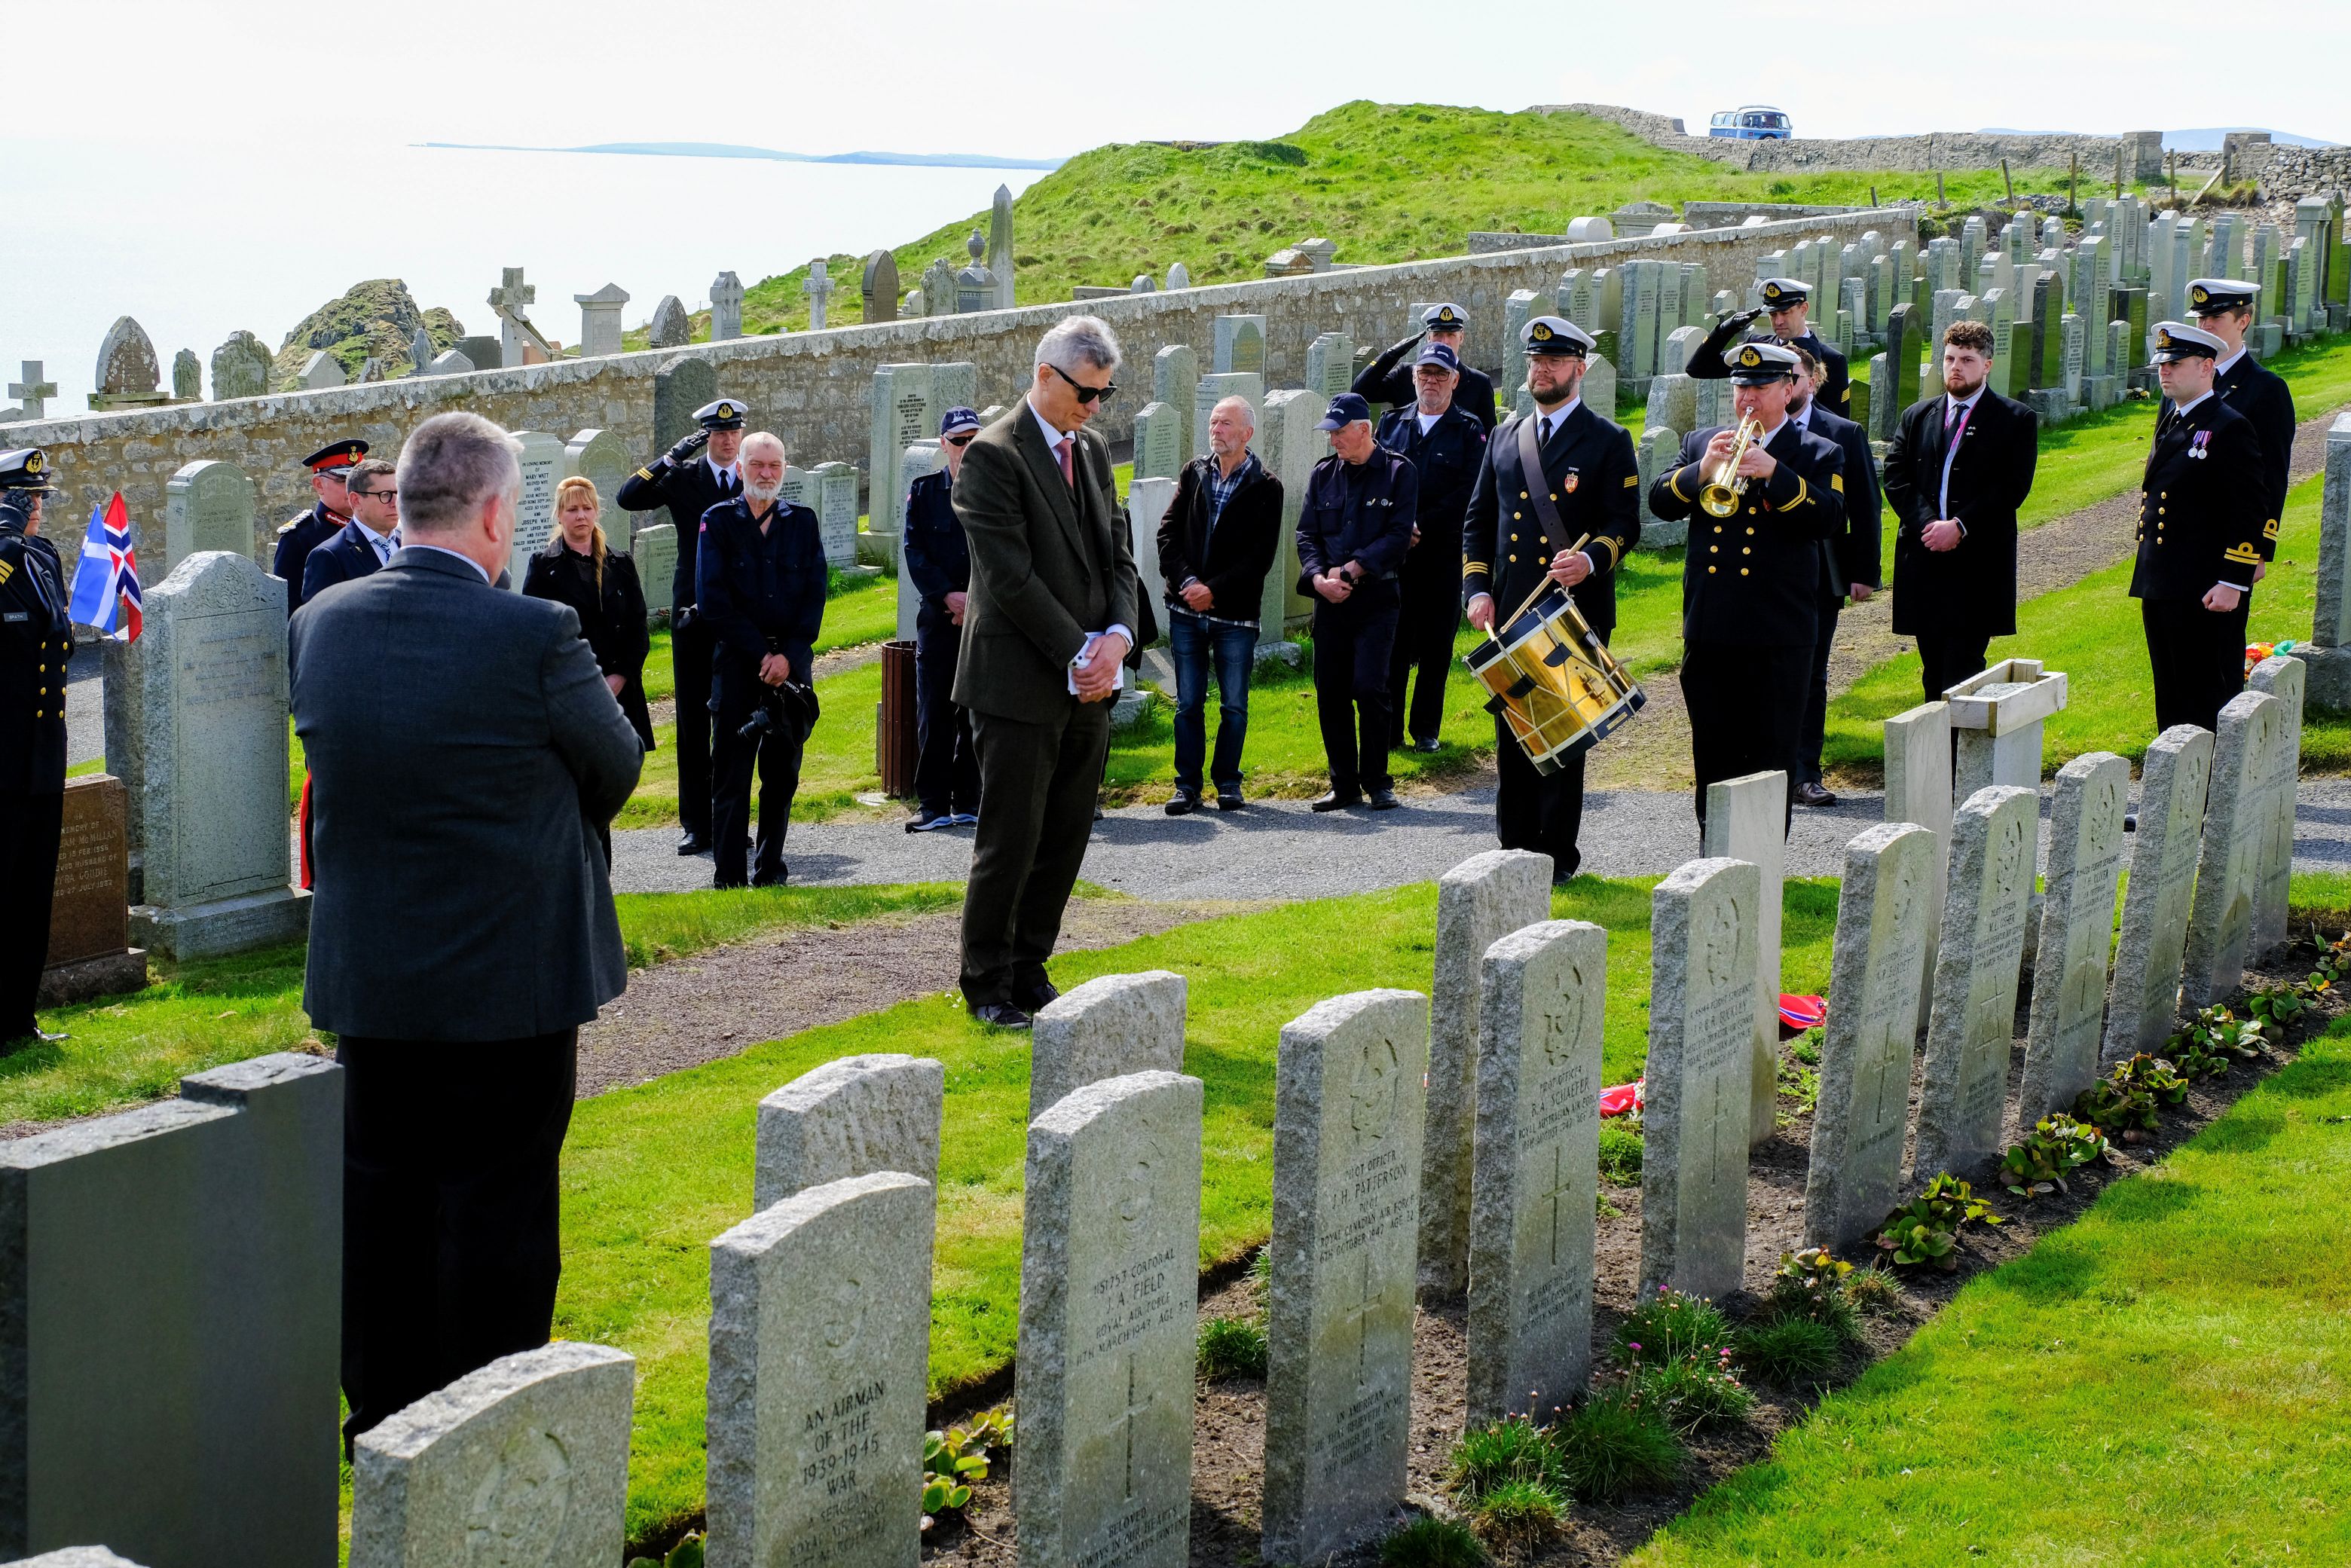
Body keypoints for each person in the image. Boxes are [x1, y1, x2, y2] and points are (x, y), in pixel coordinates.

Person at [288, 410, 644, 1447]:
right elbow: (616, 767)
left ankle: (387, 1416)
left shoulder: (324, 622)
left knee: (382, 1204)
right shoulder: (535, 633)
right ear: (496, 513)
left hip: (375, 981)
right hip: (510, 983)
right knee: (500, 1206)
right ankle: (485, 1421)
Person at [950, 315, 1139, 1029]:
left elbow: (1116, 554)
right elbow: (1011, 578)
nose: (1094, 408)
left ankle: (1029, 965)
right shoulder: (993, 455)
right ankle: (986, 980)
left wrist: (1118, 637)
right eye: (1086, 393)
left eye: (1104, 395)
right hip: (1020, 681)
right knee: (1012, 837)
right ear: (1044, 376)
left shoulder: (1088, 451)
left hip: (1091, 676)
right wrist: (1080, 652)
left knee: (1065, 833)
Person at [1462, 316, 1638, 881]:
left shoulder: (1608, 440)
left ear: (1578, 369)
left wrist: (1590, 561)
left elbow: (1623, 523)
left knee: (1564, 738)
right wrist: (1476, 589)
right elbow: (1478, 521)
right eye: (1536, 362)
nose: (1542, 370)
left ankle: (1557, 856)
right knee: (1514, 734)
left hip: (1572, 613)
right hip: (1513, 612)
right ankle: (1513, 848)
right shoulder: (1504, 436)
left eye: (1554, 362)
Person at [1649, 341, 1843, 831]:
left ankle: (1761, 873)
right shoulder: (1703, 443)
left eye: (1760, 388)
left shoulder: (1818, 450)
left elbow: (1831, 518)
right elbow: (1658, 501)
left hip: (1779, 638)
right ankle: (1711, 866)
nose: (1748, 400)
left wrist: (1777, 474)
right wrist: (1701, 472)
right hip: (1711, 631)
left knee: (1771, 762)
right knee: (1712, 759)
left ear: (1788, 388)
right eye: (1741, 389)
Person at [696, 432, 827, 889]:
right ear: (741, 469)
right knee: (731, 775)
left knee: (781, 775)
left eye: (774, 466)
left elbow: (814, 597)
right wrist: (762, 654)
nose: (766, 474)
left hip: (791, 669)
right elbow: (713, 602)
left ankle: (771, 870)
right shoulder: (717, 521)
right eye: (757, 465)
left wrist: (788, 656)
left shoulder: (803, 523)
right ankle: (729, 877)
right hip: (738, 665)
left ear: (784, 470)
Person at [616, 397, 747, 857]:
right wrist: (671, 457)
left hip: (740, 613)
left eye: (733, 433)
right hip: (692, 612)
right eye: (718, 433)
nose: (728, 441)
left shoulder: (755, 476)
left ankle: (732, 818)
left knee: (735, 718)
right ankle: (695, 823)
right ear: (705, 437)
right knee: (692, 718)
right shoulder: (686, 478)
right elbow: (629, 498)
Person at [1882, 319, 2038, 704]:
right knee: (1932, 666)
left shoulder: (2015, 419)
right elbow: (1896, 475)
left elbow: (2012, 487)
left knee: (1963, 666)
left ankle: (1960, 757)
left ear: (1987, 365)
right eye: (1950, 358)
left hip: (1977, 562)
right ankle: (1933, 756)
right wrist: (1928, 524)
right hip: (1925, 556)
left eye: (1967, 360)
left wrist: (1961, 526)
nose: (1956, 367)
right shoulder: (1917, 416)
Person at [2130, 321, 2270, 735]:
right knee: (2170, 691)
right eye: (2161, 363)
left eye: (2176, 363)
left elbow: (2250, 509)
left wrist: (2234, 579)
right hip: (2161, 581)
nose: (2164, 371)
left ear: (2207, 367)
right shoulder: (2174, 419)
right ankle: (2177, 787)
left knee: (2204, 692)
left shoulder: (2228, 426)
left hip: (2203, 586)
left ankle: (2210, 788)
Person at [1156, 393, 1283, 814]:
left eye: (1226, 424)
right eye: (1213, 423)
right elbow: (1168, 535)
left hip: (1235, 615)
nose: (1217, 431)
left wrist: (1215, 590)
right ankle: (1186, 786)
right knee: (1188, 702)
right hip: (1186, 611)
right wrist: (1189, 582)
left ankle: (1228, 781)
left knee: (1234, 704)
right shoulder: (1194, 473)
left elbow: (1259, 558)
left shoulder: (1267, 486)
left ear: (1247, 432)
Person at [523, 477, 654, 864]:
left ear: (597, 512)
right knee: (580, 785)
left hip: (619, 689)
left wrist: (620, 676)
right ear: (559, 515)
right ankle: (588, 869)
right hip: (571, 693)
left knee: (611, 780)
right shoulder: (544, 567)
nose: (580, 516)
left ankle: (601, 872)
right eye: (571, 509)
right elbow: (537, 632)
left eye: (586, 508)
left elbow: (638, 627)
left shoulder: (620, 562)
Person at [1298, 391, 1417, 812]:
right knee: (1330, 692)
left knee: (1369, 687)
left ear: (1364, 429)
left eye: (1340, 432)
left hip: (1376, 597)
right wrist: (1317, 578)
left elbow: (1398, 537)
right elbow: (1306, 535)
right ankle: (1343, 783)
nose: (1333, 440)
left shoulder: (1399, 472)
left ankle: (1378, 781)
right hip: (1329, 601)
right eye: (1329, 433)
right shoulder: (1323, 475)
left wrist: (1351, 570)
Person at [1377, 341, 1487, 754]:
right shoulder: (1391, 424)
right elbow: (1377, 482)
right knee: (1393, 642)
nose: (1432, 382)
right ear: (1414, 378)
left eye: (1441, 375)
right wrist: (1399, 527)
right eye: (1424, 374)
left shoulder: (1470, 428)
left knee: (1437, 643)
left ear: (1455, 381)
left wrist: (1421, 524)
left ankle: (1425, 728)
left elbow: (1469, 491)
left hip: (1442, 553)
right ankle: (1387, 732)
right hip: (1395, 554)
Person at [1785, 345, 1881, 808]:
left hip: (1821, 576)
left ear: (1813, 380)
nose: (1786, 384)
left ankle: (1804, 770)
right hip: (1764, 576)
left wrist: (1864, 571)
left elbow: (1865, 506)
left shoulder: (1843, 433)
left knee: (1811, 673)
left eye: (1794, 375)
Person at [0, 449, 72, 1049]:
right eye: (26, 499)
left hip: (41, 757)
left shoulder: (42, 558)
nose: (37, 508)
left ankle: (19, 1019)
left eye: (40, 498)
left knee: (30, 897)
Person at [902, 407, 983, 832]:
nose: (966, 448)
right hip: (938, 616)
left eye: (974, 439)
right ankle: (932, 804)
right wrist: (949, 598)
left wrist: (974, 601)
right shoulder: (925, 490)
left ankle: (969, 800)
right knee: (933, 710)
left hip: (982, 617)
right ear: (943, 444)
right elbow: (915, 550)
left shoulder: (995, 490)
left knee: (973, 711)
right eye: (958, 440)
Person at [2191, 277, 2294, 587]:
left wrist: (2257, 553)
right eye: (2200, 318)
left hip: (2227, 542)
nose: (2205, 326)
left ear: (2243, 321)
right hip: (2176, 543)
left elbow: (2272, 475)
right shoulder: (2182, 379)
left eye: (2216, 318)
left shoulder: (2266, 389)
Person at [1353, 302, 1500, 433]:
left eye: (1451, 335)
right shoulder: (1406, 374)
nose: (1444, 341)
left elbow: (1489, 438)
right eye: (1437, 334)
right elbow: (1361, 390)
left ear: (1461, 337)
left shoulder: (1478, 383)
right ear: (1429, 338)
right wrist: (1391, 355)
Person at [272, 439, 367, 617]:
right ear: (319, 485)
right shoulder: (299, 538)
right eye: (343, 480)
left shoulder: (374, 527)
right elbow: (289, 609)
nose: (354, 489)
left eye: (359, 481)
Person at [300, 456, 402, 601]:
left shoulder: (409, 544)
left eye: (399, 494)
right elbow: (321, 619)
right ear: (356, 500)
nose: (395, 503)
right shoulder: (330, 556)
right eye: (385, 495)